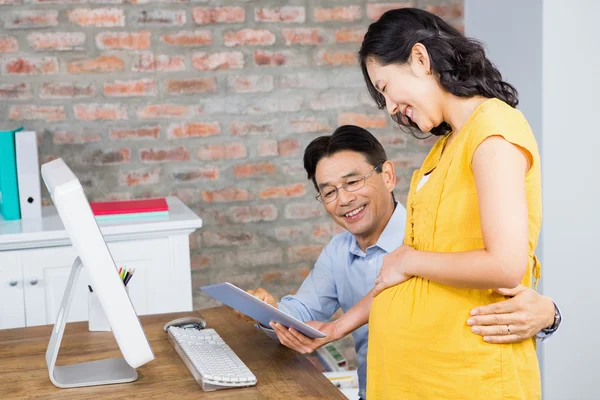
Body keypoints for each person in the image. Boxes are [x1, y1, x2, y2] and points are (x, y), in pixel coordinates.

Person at [237, 125, 561, 400]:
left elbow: (509, 301)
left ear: (388, 175)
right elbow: (304, 315)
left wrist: (550, 316)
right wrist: (266, 310)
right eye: (329, 192)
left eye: (352, 182)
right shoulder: (339, 251)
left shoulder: (430, 241)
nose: (344, 199)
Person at [348, 7, 546, 399]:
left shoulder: (493, 132)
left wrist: (408, 260)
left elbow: (506, 265)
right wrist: (335, 329)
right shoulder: (447, 144)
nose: (389, 108)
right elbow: (430, 256)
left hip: (470, 378)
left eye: (385, 88)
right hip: (421, 378)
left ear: (420, 59)